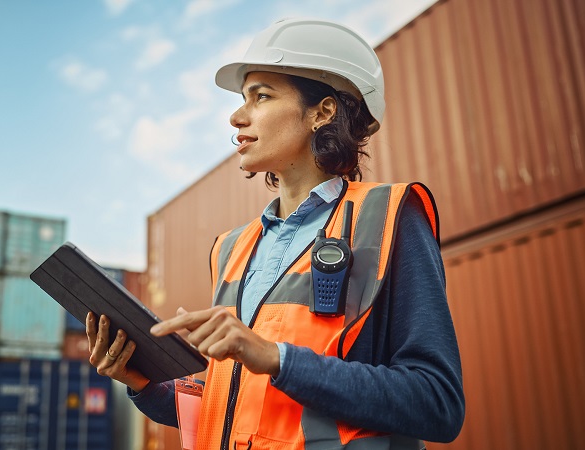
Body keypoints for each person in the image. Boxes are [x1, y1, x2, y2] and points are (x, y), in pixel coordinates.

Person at [86, 18, 465, 449]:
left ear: (321, 112)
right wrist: (143, 384)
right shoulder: (231, 248)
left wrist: (276, 357)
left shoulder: (389, 217)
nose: (235, 115)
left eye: (260, 96)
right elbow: (237, 410)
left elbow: (438, 403)